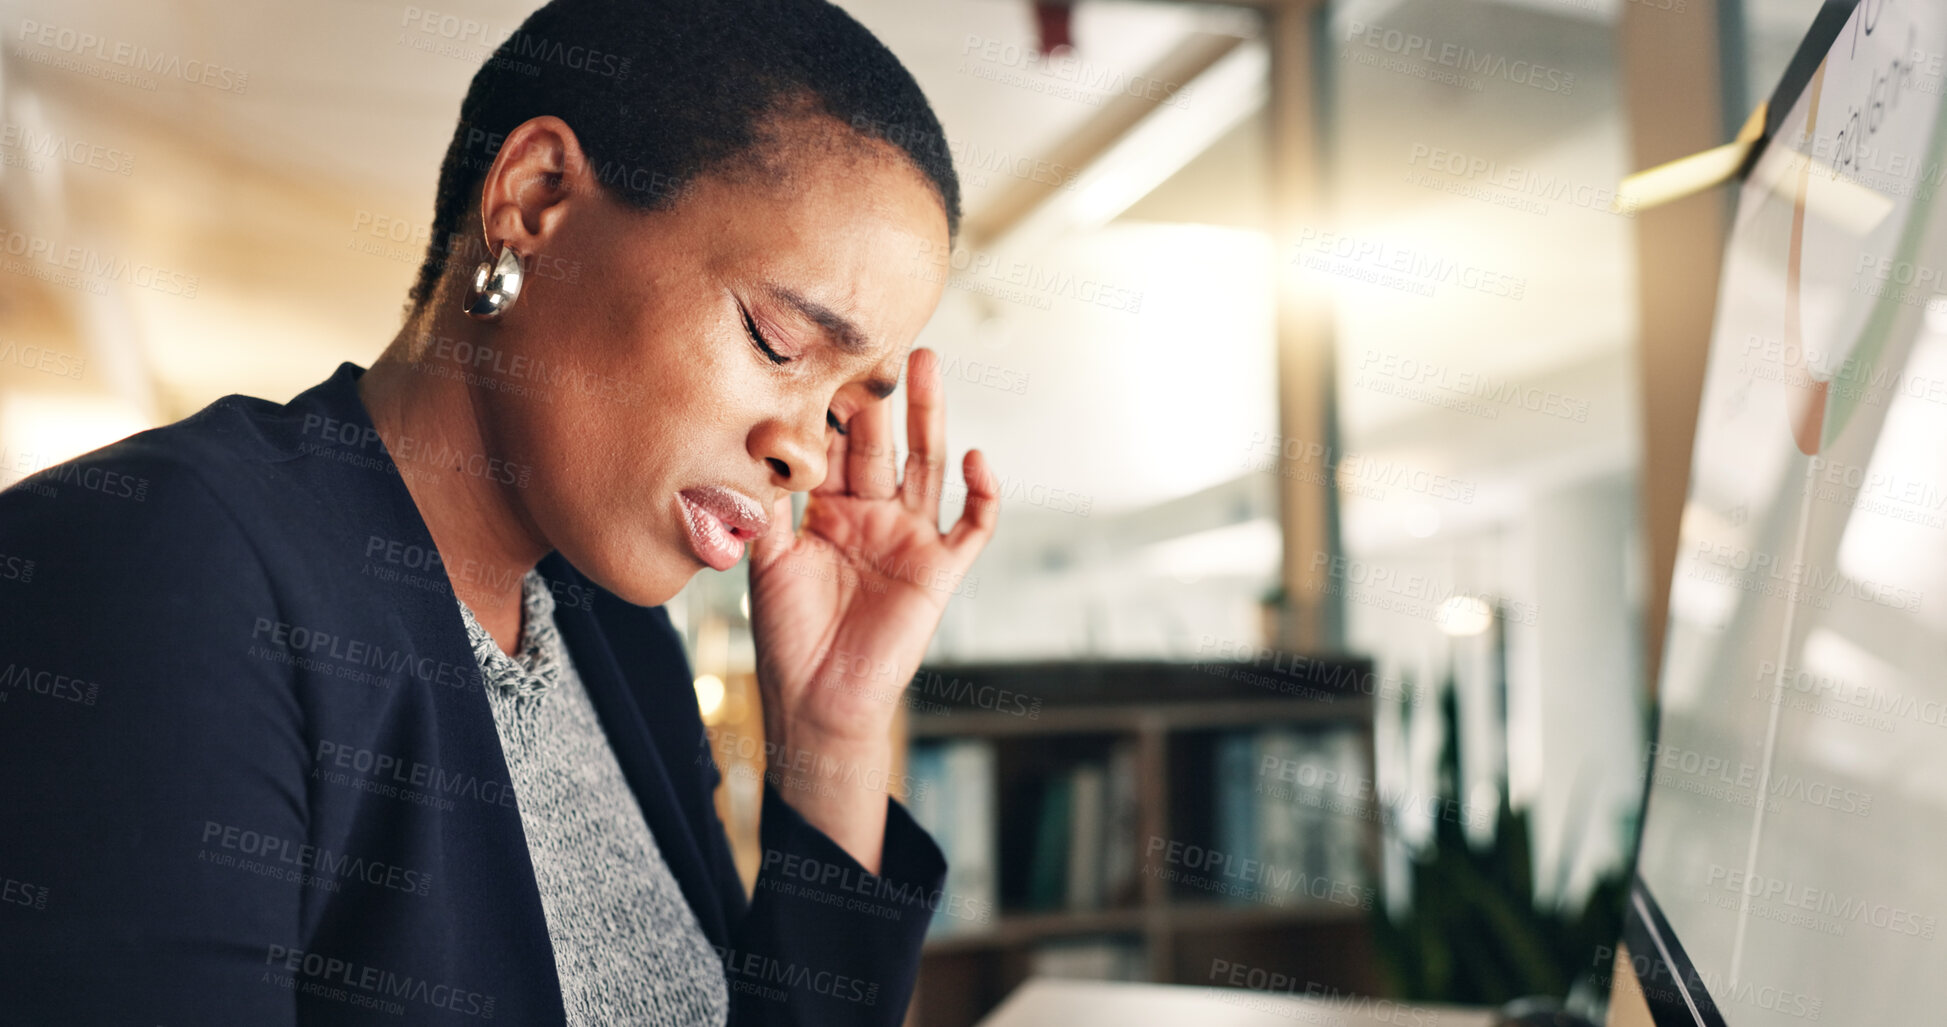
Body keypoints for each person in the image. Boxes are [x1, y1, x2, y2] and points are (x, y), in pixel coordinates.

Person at [0, 0, 995, 1023]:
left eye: (838, 409)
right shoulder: (158, 563)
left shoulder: (618, 637)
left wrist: (831, 734)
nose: (800, 449)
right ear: (534, 198)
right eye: (778, 341)